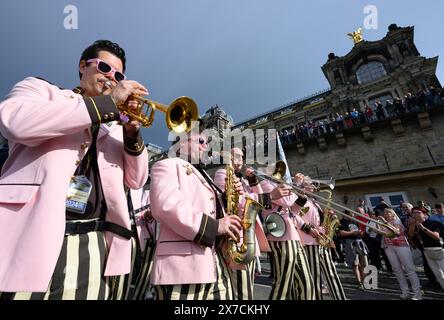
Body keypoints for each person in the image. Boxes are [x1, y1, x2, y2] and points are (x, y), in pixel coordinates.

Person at [0, 40, 149, 299]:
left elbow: (137, 180)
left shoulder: (115, 127)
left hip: (93, 243)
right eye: (104, 68)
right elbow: (15, 123)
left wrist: (131, 134)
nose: (111, 78)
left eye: (118, 75)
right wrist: (106, 106)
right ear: (83, 66)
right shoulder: (43, 91)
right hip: (30, 233)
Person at [149, 132, 248, 300]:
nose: (205, 145)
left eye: (206, 142)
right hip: (183, 269)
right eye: (200, 141)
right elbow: (166, 206)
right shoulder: (166, 165)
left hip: (216, 264)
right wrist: (215, 226)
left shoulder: (204, 176)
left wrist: (230, 196)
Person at [260, 175, 315, 300]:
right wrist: (296, 185)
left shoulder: (285, 187)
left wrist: (303, 193)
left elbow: (293, 211)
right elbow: (287, 202)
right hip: (280, 236)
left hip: (294, 237)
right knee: (283, 285)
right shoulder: (265, 183)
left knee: (307, 283)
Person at [295, 175, 346, 300]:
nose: (313, 186)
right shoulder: (299, 198)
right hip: (310, 241)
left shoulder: (313, 201)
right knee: (315, 276)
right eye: (309, 183)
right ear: (302, 185)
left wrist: (329, 217)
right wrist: (310, 229)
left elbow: (318, 220)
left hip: (322, 240)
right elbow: (295, 217)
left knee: (331, 273)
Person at [379, 208, 422, 300]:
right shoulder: (383, 223)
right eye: (384, 213)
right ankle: (405, 292)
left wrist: (384, 222)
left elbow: (396, 232)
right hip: (389, 247)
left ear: (393, 214)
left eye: (388, 213)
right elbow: (381, 233)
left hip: (401, 246)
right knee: (397, 270)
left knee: (409, 269)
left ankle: (417, 293)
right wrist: (377, 224)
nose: (385, 214)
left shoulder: (397, 221)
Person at [411, 208, 444, 291]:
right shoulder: (415, 224)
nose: (416, 214)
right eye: (414, 213)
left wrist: (423, 228)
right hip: (427, 251)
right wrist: (412, 224)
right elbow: (411, 234)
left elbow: (436, 236)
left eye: (418, 212)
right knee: (438, 274)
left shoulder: (432, 223)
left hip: (439, 249)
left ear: (424, 214)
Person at [338, 210, 369, 290]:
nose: (353, 216)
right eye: (351, 215)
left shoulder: (355, 221)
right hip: (350, 242)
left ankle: (364, 281)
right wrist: (353, 232)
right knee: (355, 264)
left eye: (353, 215)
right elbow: (341, 233)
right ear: (346, 215)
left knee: (364, 264)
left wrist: (361, 233)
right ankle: (359, 283)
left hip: (359, 241)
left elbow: (360, 231)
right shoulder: (341, 222)